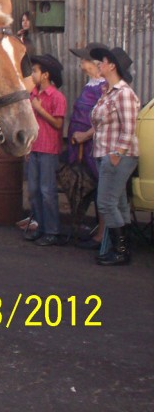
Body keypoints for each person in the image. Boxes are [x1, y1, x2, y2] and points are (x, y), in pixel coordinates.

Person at [85, 46, 140, 266]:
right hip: (106, 154)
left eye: (103, 61)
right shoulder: (108, 92)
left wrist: (117, 154)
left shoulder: (123, 93)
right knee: (119, 203)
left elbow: (129, 128)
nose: (99, 64)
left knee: (106, 203)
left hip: (117, 156)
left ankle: (120, 250)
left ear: (112, 66)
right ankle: (121, 248)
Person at [65, 42, 110, 249]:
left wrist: (85, 135)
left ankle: (102, 235)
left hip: (94, 146)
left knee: (101, 188)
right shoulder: (91, 84)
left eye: (84, 60)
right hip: (81, 146)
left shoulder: (103, 87)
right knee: (85, 185)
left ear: (95, 63)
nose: (81, 63)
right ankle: (89, 229)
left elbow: (104, 119)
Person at [24, 53, 66, 246]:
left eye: (35, 71)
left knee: (47, 191)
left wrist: (40, 110)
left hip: (49, 149)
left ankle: (52, 230)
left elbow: (58, 124)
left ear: (46, 75)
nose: (32, 74)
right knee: (33, 190)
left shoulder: (57, 97)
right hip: (34, 147)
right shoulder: (33, 94)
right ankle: (40, 227)